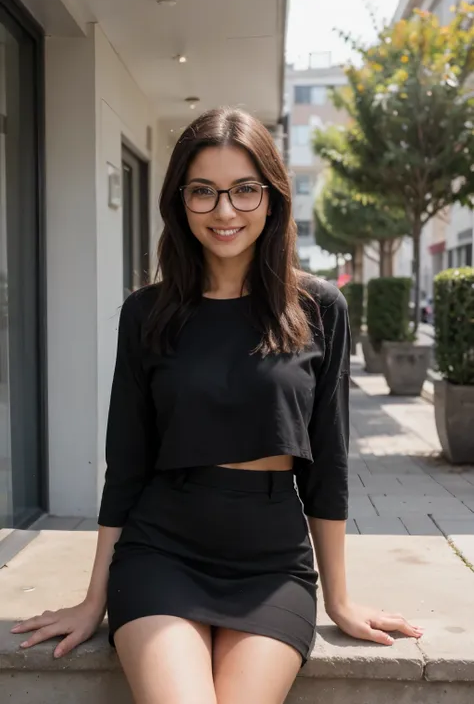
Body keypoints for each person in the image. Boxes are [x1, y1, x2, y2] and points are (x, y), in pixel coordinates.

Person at [11, 108, 423, 704]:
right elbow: (126, 464)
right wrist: (93, 596)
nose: (224, 211)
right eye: (203, 192)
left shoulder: (319, 307)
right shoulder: (146, 314)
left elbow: (328, 463)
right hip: (162, 551)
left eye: (244, 190)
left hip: (272, 562)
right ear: (180, 201)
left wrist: (340, 598)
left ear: (273, 197)